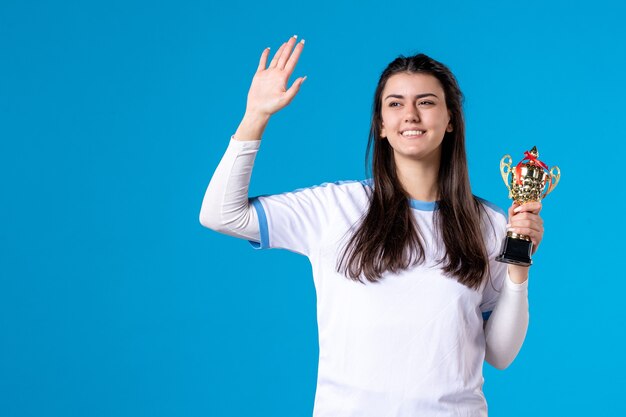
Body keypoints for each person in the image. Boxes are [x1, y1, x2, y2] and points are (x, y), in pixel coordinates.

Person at [199, 35, 544, 417]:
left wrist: (518, 270)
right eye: (395, 104)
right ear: (381, 124)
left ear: (450, 121)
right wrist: (255, 116)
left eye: (426, 102)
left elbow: (500, 354)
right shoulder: (333, 207)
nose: (410, 115)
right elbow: (220, 214)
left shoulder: (491, 224)